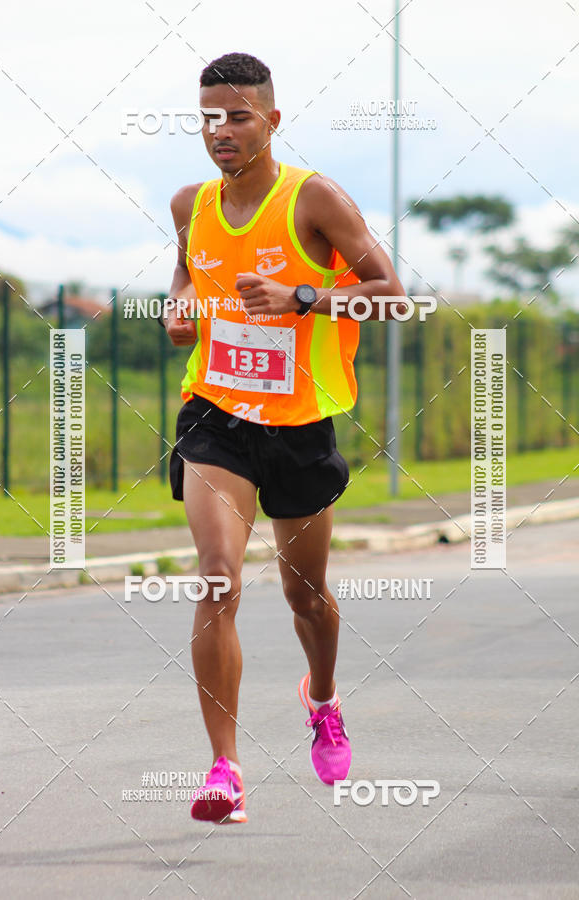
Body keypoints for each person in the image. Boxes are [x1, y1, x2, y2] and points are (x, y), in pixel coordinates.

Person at [161, 52, 405, 824]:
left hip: (298, 426)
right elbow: (187, 276)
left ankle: (323, 698)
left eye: (237, 115)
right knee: (217, 577)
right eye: (208, 117)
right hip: (216, 418)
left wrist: (302, 296)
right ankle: (225, 771)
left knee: (307, 598)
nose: (220, 131)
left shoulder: (315, 198)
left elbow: (393, 299)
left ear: (272, 118)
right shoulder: (189, 204)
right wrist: (180, 309)